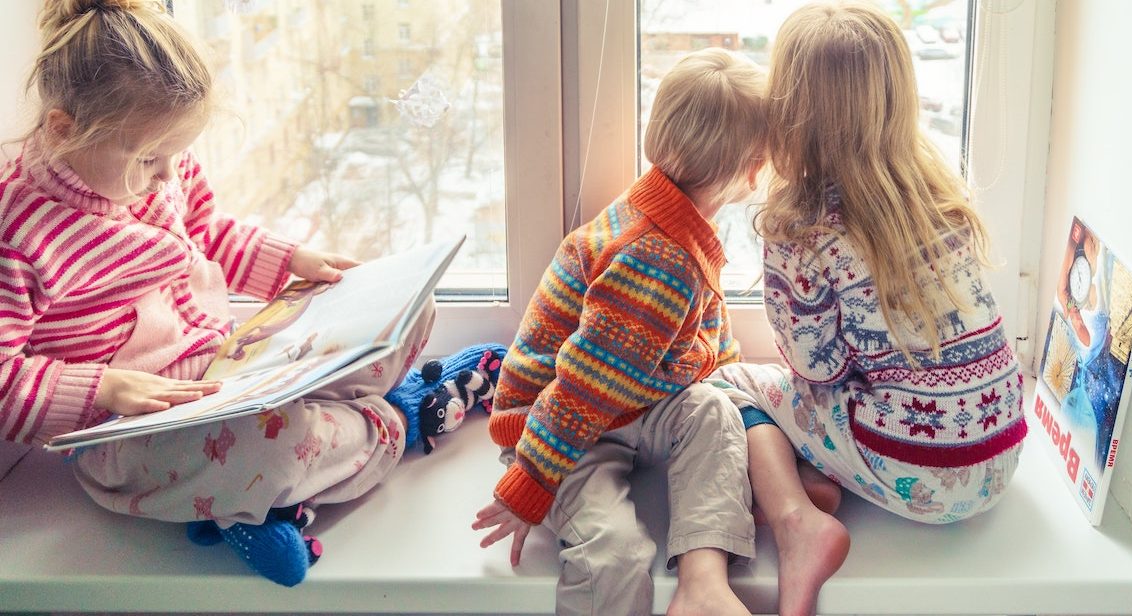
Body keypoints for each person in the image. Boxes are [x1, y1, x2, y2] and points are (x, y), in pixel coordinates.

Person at [0, 0, 436, 587]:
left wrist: (292, 262)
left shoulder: (156, 168)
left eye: (176, 155)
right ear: (63, 129)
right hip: (131, 437)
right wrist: (106, 387)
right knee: (271, 448)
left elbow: (208, 231)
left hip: (224, 366)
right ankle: (392, 421)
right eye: (151, 158)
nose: (168, 176)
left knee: (408, 310)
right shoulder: (17, 231)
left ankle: (273, 482)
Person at [709, 4, 1027, 615]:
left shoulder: (803, 229)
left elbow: (817, 373)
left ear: (789, 110)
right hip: (1000, 454)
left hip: (920, 472)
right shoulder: (937, 195)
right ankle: (824, 477)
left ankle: (797, 519)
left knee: (731, 383)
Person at [471, 47, 767, 615]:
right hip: (558, 428)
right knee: (616, 554)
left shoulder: (673, 219)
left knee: (712, 410)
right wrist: (531, 483)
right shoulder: (654, 260)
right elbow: (584, 389)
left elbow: (699, 340)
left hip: (626, 403)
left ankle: (705, 583)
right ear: (753, 170)